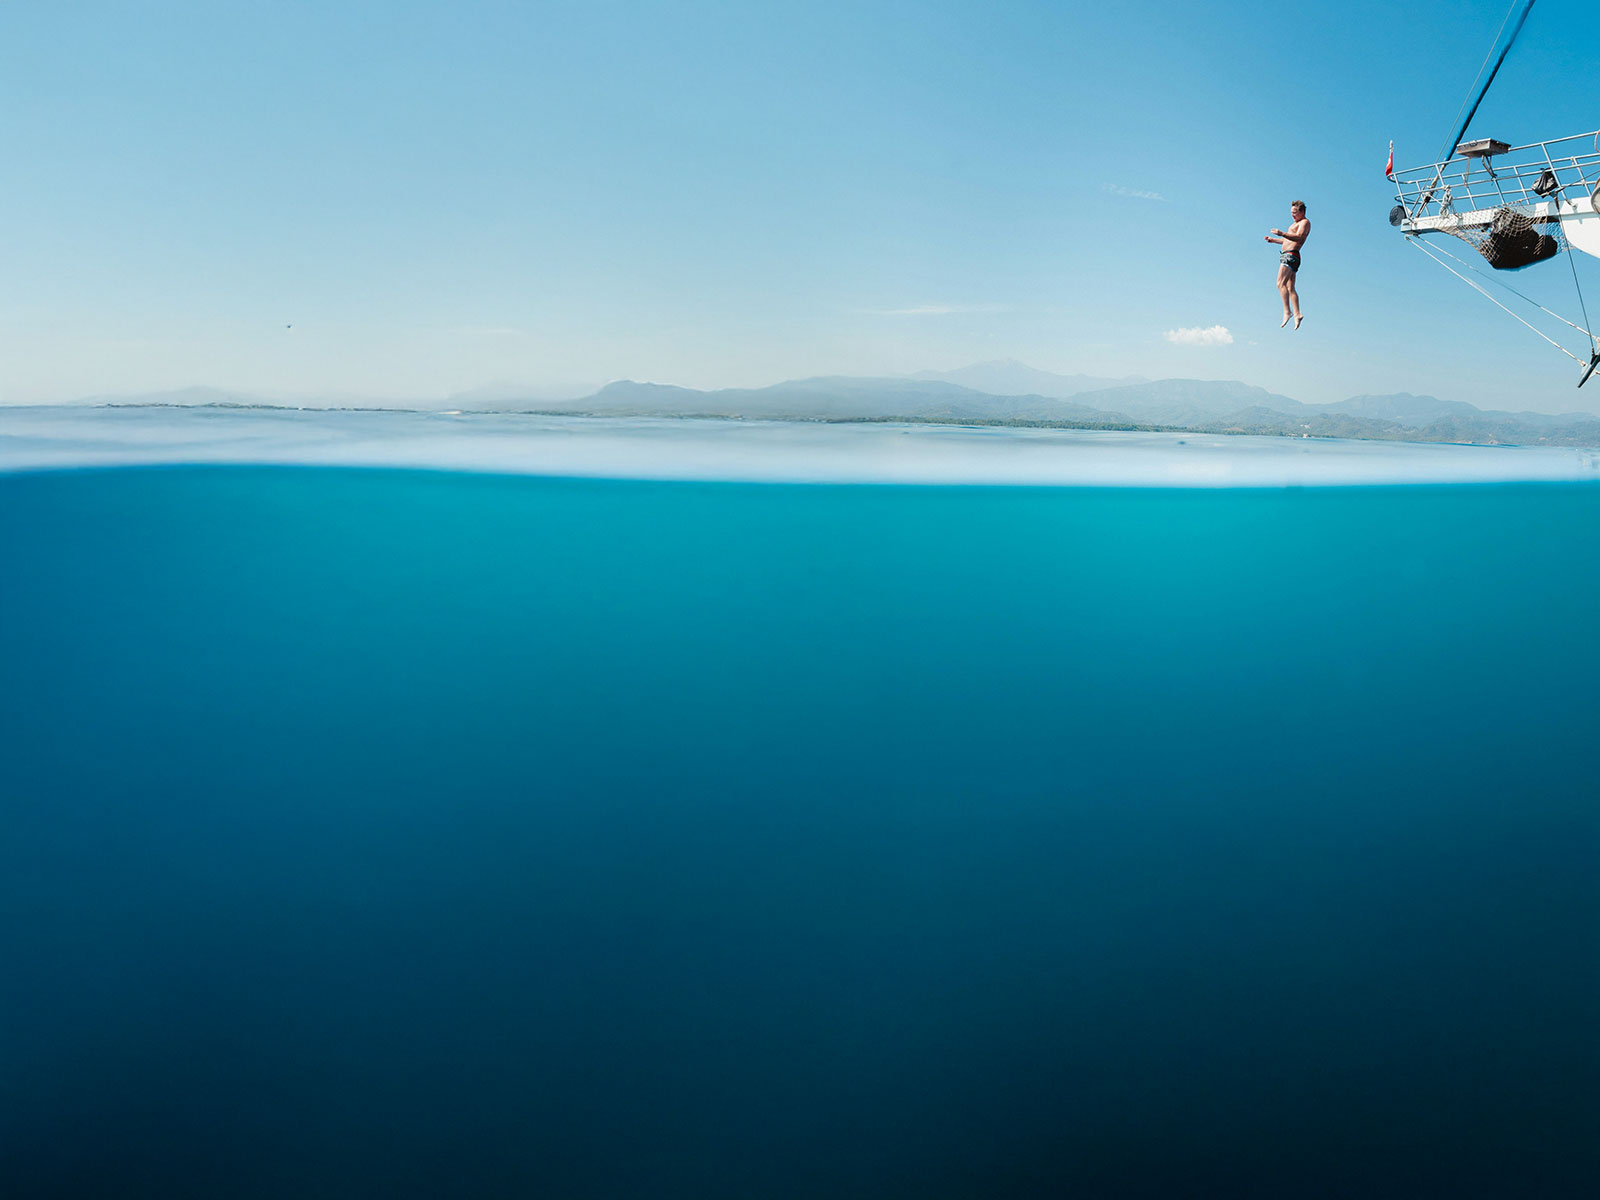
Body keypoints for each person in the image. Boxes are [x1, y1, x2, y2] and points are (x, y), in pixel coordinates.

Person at [1264, 201, 1310, 328]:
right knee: (1290, 288)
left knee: (1280, 283)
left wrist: (1282, 233)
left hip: (1291, 255)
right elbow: (1287, 240)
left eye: (1295, 213)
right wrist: (1274, 240)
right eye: (1291, 213)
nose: (1293, 215)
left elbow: (1299, 237)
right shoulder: (1295, 224)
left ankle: (1287, 312)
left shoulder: (1304, 223)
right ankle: (1297, 314)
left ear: (1302, 212)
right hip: (1290, 255)